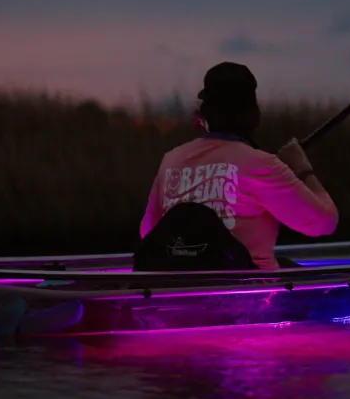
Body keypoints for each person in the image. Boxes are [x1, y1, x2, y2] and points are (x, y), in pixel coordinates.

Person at [139, 61, 339, 270]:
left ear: (205, 113)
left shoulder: (171, 160)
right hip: (251, 297)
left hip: (180, 293)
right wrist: (302, 168)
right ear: (253, 113)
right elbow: (324, 222)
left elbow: (148, 231)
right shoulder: (262, 165)